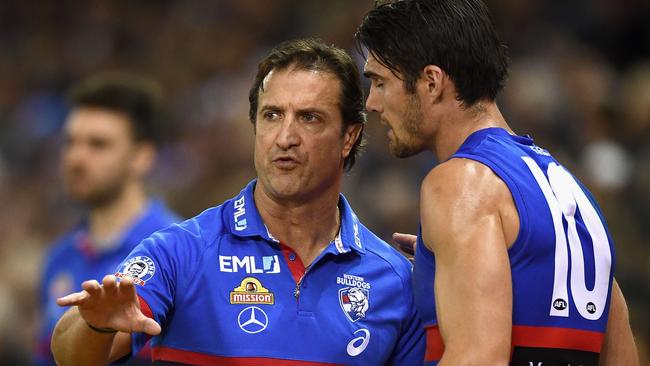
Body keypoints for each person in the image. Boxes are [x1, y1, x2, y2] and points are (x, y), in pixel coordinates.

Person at [50, 38, 425, 365]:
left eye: (309, 118)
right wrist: (95, 324)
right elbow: (70, 355)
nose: (285, 137)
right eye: (272, 116)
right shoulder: (182, 251)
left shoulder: (393, 279)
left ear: (348, 137)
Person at [356, 0, 638, 365]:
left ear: (431, 82)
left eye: (380, 83)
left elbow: (479, 358)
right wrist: (447, 252)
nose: (372, 103)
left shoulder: (459, 184)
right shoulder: (571, 191)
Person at [36, 74, 181, 366]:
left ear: (142, 156)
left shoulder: (178, 250)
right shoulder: (60, 256)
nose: (76, 158)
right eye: (71, 142)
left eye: (98, 144)